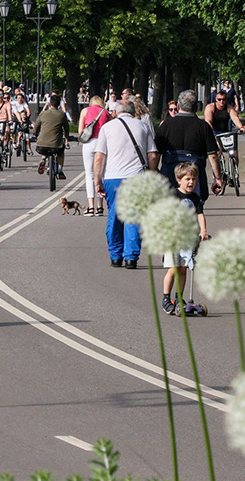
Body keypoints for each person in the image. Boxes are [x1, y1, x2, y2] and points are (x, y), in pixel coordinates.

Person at [93, 99, 159, 269]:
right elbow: (152, 155)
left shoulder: (107, 128)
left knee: (114, 216)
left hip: (113, 177)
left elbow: (99, 157)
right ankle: (131, 257)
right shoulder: (142, 126)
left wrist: (97, 181)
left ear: (115, 112)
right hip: (136, 177)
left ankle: (115, 255)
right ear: (133, 111)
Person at [160, 162, 210, 315]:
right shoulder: (173, 195)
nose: (191, 182)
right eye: (187, 179)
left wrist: (203, 231)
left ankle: (179, 298)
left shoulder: (195, 198)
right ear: (179, 179)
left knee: (183, 269)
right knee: (173, 269)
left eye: (193, 179)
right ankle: (166, 298)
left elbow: (199, 214)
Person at [155, 90, 224, 200]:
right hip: (195, 174)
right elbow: (213, 156)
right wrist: (218, 178)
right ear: (196, 107)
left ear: (178, 106)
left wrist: (154, 171)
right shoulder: (203, 127)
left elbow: (155, 154)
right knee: (196, 203)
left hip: (170, 173)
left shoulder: (166, 125)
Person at [78, 95, 111, 216]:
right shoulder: (106, 113)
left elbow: (80, 131)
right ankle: (100, 207)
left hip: (89, 143)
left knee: (89, 174)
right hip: (102, 144)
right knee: (101, 174)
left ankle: (91, 206)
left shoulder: (85, 111)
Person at [33, 93, 69, 180]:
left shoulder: (43, 114)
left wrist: (35, 135)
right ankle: (60, 170)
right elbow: (66, 128)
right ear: (59, 104)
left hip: (41, 145)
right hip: (56, 145)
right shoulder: (62, 115)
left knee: (45, 146)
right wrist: (67, 137)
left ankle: (43, 158)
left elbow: (36, 127)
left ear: (50, 104)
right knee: (61, 153)